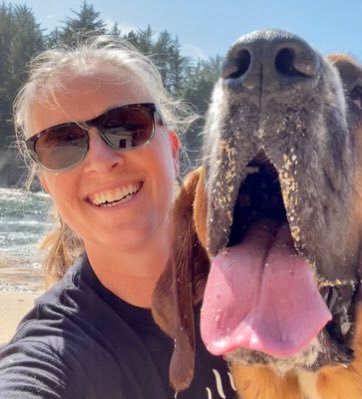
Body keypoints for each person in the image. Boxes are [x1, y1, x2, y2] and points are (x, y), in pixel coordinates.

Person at [0, 35, 236, 399]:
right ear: (47, 183)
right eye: (62, 144)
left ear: (172, 151)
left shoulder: (262, 276)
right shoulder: (56, 351)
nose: (100, 160)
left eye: (126, 126)